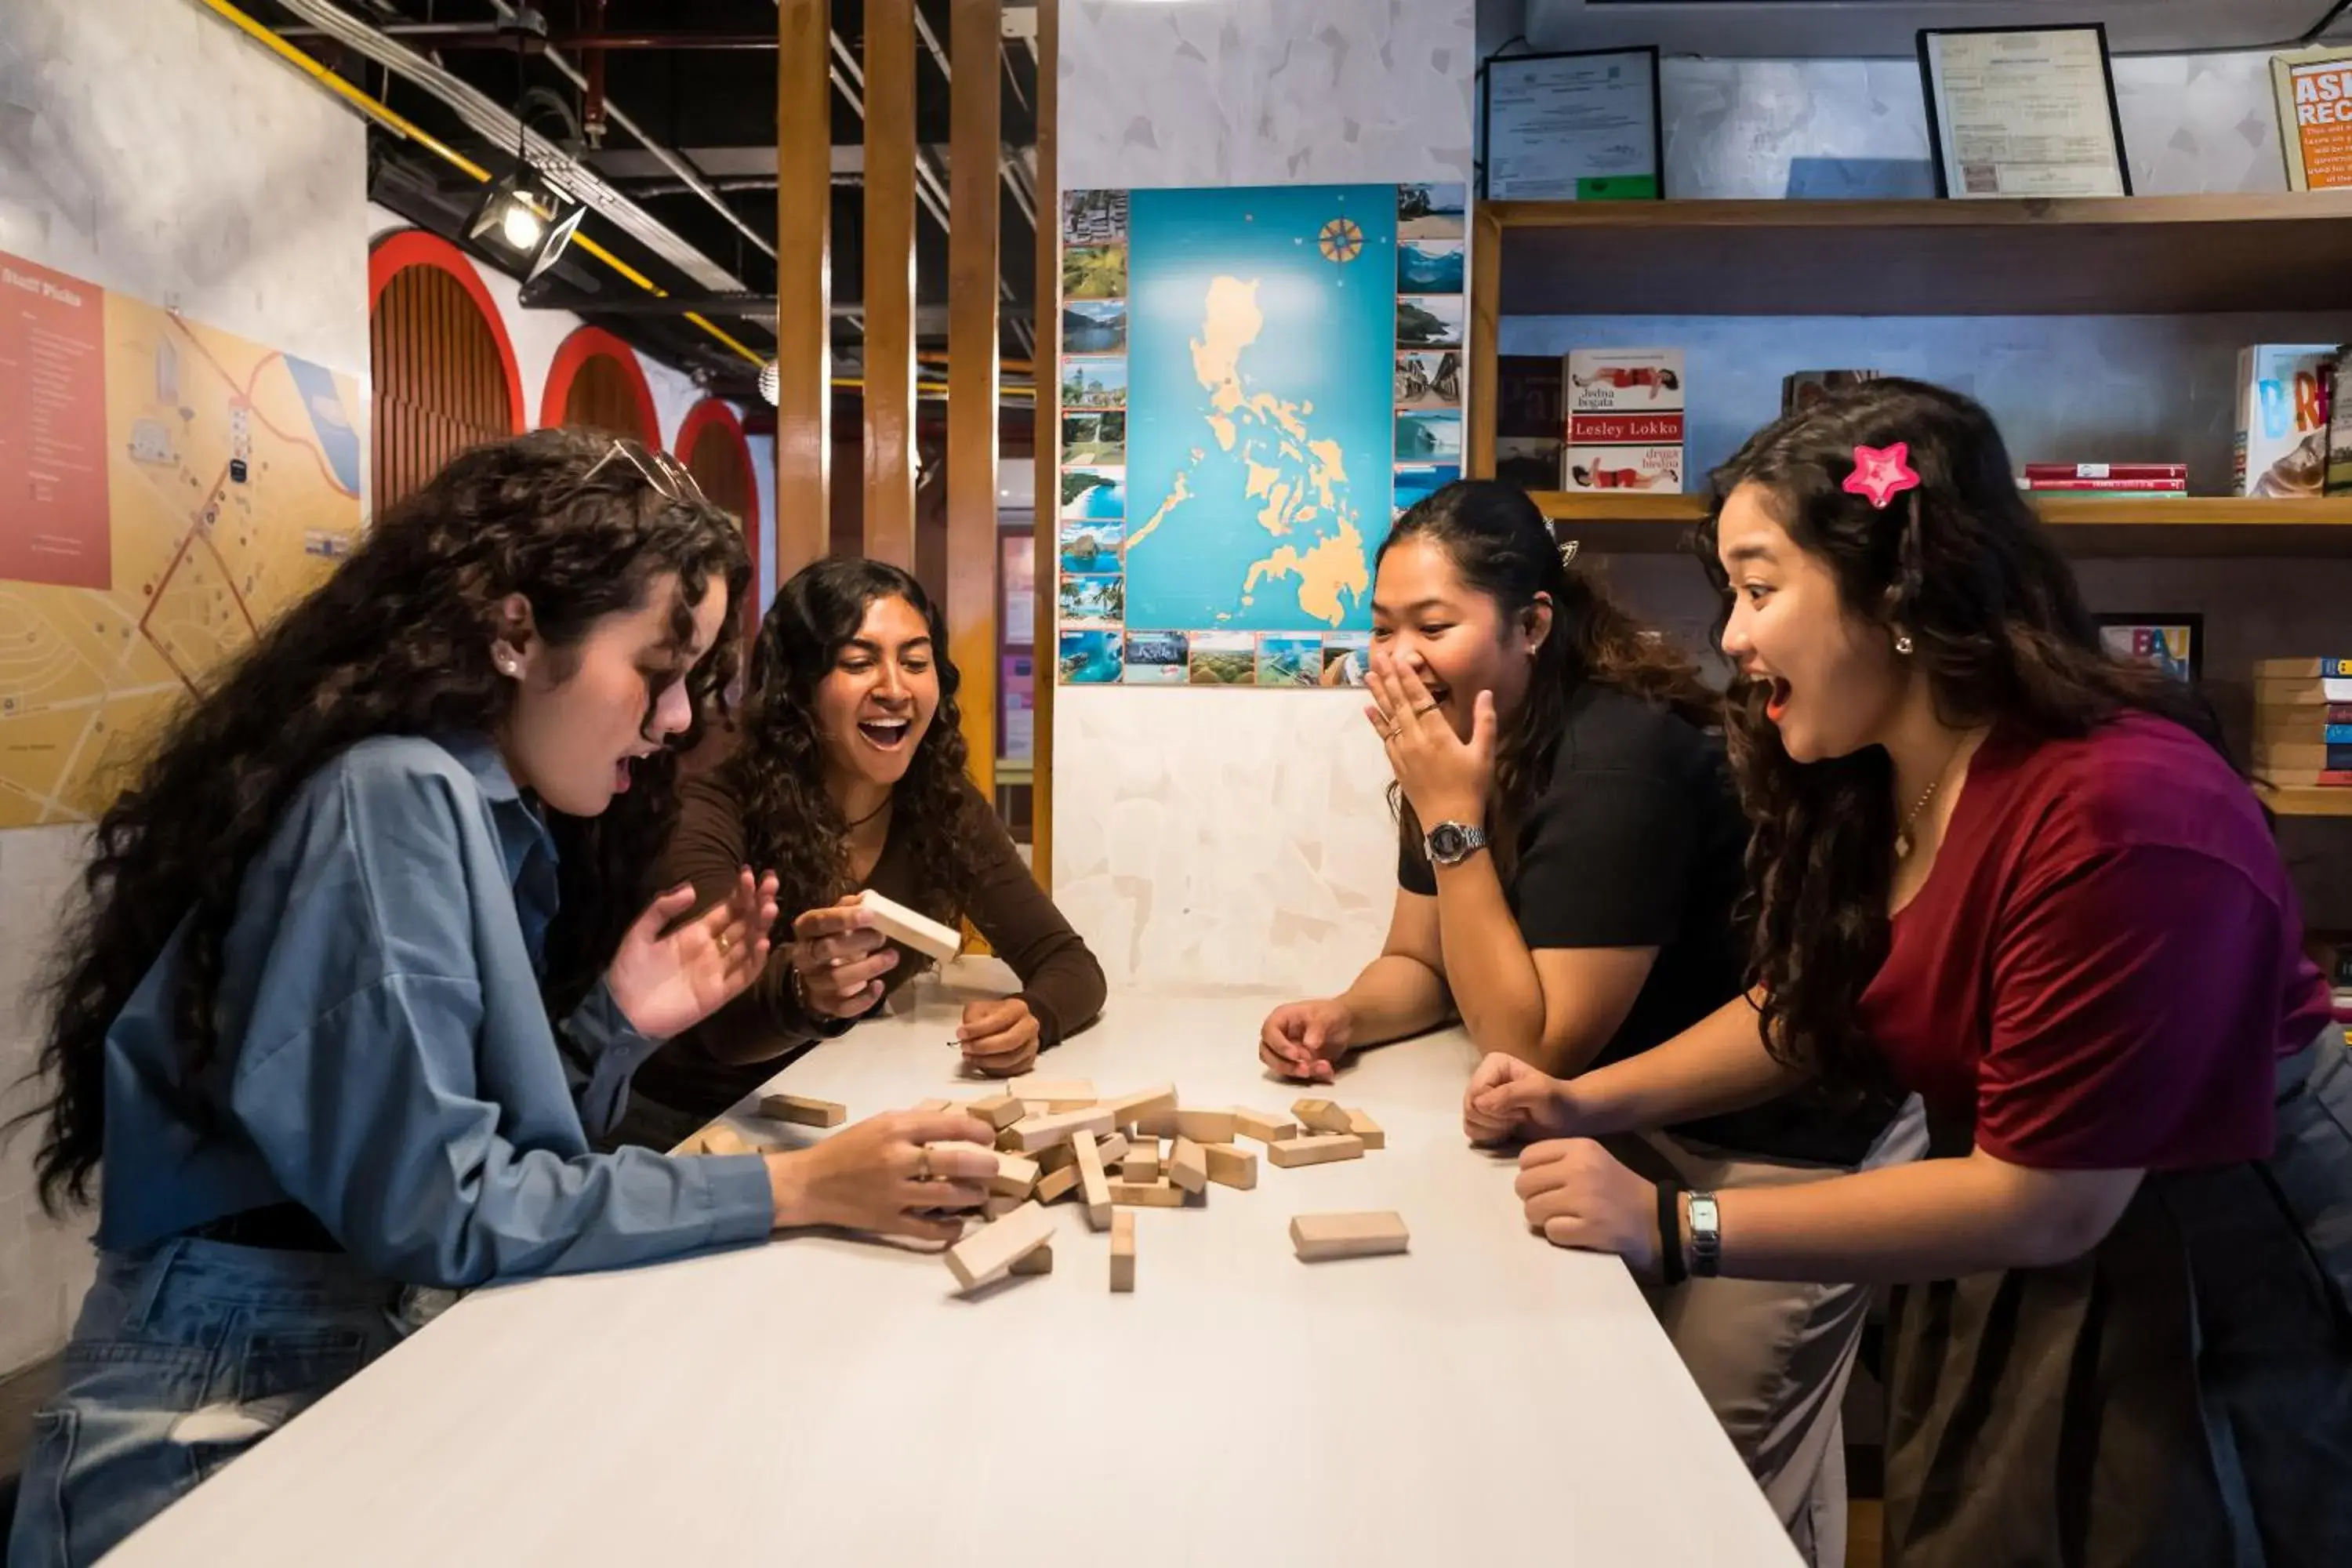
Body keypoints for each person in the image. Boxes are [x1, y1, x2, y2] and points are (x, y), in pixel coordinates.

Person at [5, 434, 1000, 1568]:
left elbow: (459, 1159)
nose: (674, 720)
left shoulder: (491, 813)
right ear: (517, 633)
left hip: (320, 1343)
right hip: (215, 1412)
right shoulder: (394, 793)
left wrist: (614, 1024)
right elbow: (442, 1209)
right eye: (657, 670)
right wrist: (796, 1186)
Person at [1466, 379, 2352, 1566]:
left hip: (2192, 1274)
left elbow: (2050, 1199)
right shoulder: (1885, 765)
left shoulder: (2121, 813)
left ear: (1894, 590)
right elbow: (1815, 1002)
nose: (1730, 636)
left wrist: (1679, 1224)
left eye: (1761, 590)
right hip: (2025, 1239)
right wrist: (1586, 1101)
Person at [1259, 479, 1916, 1565]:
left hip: (1781, 1149)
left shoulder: (1620, 755)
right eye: (1383, 630)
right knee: (1580, 1444)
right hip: (1631, 1124)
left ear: (1531, 626)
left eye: (1434, 626)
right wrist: (1344, 1015)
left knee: (1693, 1490)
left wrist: (1452, 820)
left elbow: (1538, 1039)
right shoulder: (1469, 751)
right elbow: (1423, 964)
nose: (1402, 659)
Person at [615, 557, 1105, 1146]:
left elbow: (1069, 964)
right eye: (858, 662)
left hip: (834, 1100)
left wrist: (1034, 1018)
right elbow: (720, 1024)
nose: (895, 689)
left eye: (916, 662)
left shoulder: (938, 801)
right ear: (800, 686)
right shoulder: (713, 801)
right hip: (686, 1128)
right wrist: (805, 989)